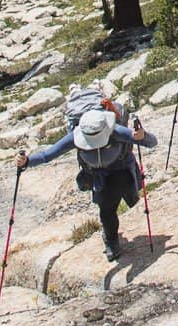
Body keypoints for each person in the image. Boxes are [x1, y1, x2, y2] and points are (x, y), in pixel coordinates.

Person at [19, 91, 157, 261]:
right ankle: (111, 241)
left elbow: (151, 142)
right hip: (100, 177)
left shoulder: (115, 130)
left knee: (129, 195)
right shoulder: (77, 135)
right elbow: (48, 155)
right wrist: (26, 162)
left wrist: (142, 136)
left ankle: (119, 224)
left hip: (121, 169)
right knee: (107, 208)